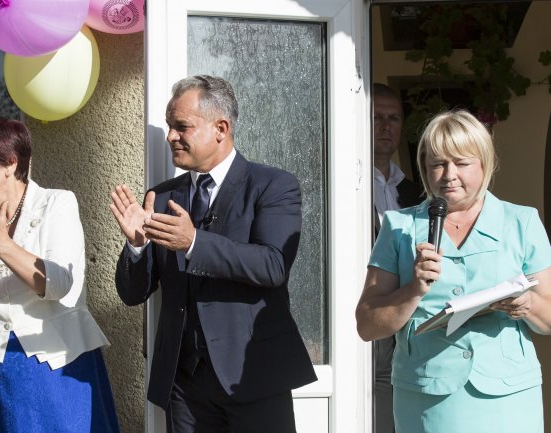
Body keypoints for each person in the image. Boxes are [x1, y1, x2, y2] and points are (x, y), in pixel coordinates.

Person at [110, 75, 316, 433]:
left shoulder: (273, 185)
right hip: (185, 386)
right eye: (170, 126)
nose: (171, 136)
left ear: (221, 128)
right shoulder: (160, 197)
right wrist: (137, 245)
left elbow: (272, 265)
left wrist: (193, 243)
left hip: (254, 377)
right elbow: (132, 294)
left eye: (182, 126)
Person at [356, 109, 551, 433]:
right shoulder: (400, 227)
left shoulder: (522, 222)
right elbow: (367, 324)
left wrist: (526, 303)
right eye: (437, 164)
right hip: (426, 398)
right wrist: (413, 289)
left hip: (507, 399)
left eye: (461, 163)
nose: (449, 175)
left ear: (484, 165)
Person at [0, 118, 119, 433]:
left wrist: (1, 243)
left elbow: (60, 284)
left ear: (9, 163)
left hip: (57, 367)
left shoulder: (56, 204)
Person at [371, 83, 424, 433]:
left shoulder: (412, 189)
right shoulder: (343, 182)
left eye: (393, 118)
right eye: (376, 117)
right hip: (363, 310)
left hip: (403, 311)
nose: (385, 126)